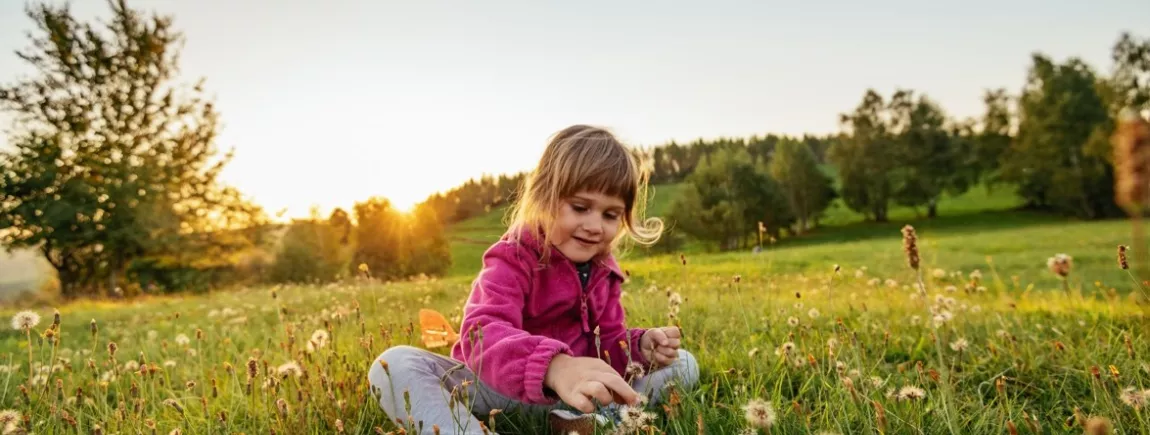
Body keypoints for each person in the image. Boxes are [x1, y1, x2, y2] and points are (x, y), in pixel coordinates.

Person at [367, 125, 699, 435]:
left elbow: (608, 347)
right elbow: (481, 334)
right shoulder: (513, 257)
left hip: (577, 397)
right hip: (499, 390)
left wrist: (638, 347)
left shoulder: (605, 273)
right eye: (580, 207)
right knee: (392, 365)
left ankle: (592, 422)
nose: (596, 225)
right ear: (544, 197)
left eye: (610, 215)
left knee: (683, 363)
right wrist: (554, 367)